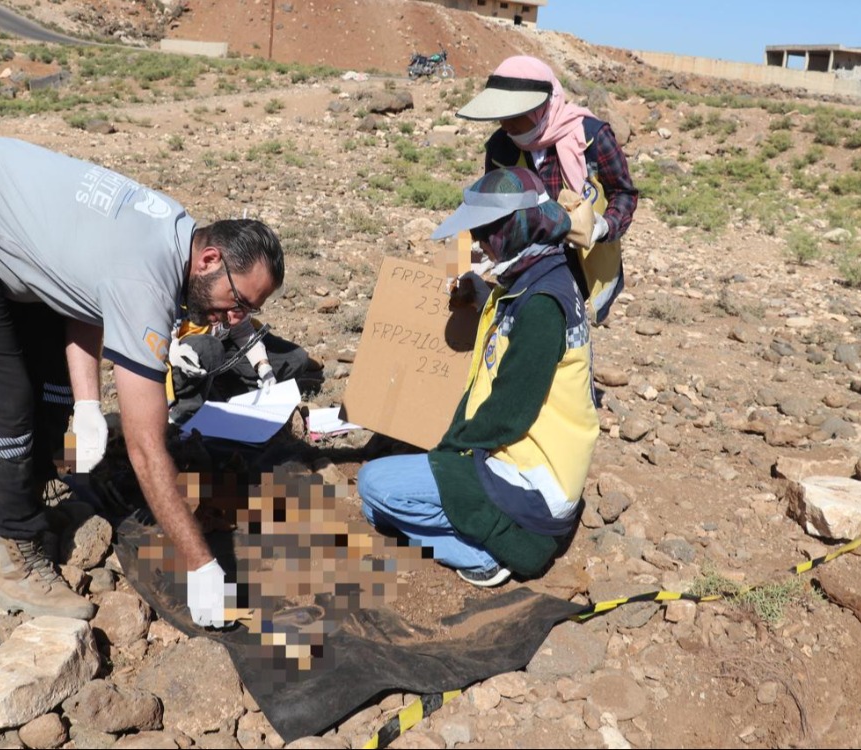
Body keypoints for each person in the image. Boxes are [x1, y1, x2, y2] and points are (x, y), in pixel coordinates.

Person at [0, 137, 284, 627]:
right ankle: (14, 554)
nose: (233, 320)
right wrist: (201, 567)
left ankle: (30, 493)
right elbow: (144, 446)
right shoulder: (147, 279)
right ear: (210, 260)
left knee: (52, 379)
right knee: (1, 400)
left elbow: (90, 294)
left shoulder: (175, 231)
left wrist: (89, 405)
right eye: (238, 302)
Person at [357, 167, 599, 587]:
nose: (482, 244)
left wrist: (449, 449)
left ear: (514, 229)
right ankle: (482, 526)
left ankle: (494, 551)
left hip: (531, 482)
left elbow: (510, 413)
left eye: (486, 231)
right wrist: (484, 295)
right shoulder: (544, 274)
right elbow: (516, 329)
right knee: (375, 508)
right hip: (528, 464)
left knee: (374, 487)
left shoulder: (542, 305)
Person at [457, 55, 638, 324]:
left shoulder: (592, 138)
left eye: (515, 115)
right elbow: (489, 206)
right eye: (502, 116)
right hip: (526, 259)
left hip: (580, 260)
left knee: (553, 323)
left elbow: (623, 193)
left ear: (541, 107)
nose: (507, 125)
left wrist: (605, 226)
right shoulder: (501, 147)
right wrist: (470, 253)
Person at [166, 311, 317, 425]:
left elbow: (243, 330)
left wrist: (263, 366)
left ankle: (226, 392)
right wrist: (171, 347)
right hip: (189, 354)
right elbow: (156, 329)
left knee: (296, 359)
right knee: (211, 349)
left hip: (225, 352)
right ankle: (183, 412)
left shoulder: (239, 288)